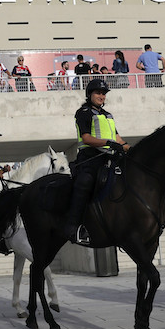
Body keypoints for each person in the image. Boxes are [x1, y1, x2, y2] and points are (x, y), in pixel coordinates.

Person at [67, 79, 131, 244]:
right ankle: (75, 227)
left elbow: (117, 138)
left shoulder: (108, 115)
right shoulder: (84, 112)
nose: (101, 96)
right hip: (90, 159)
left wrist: (129, 148)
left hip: (109, 158)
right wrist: (109, 144)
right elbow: (86, 138)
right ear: (90, 95)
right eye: (98, 93)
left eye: (103, 93)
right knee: (85, 183)